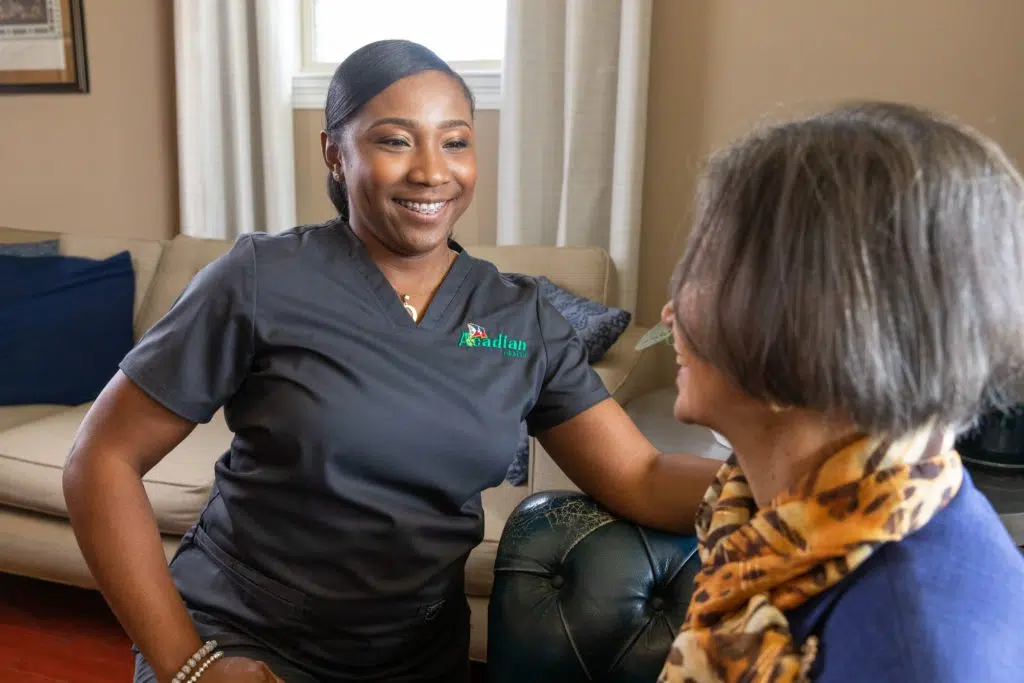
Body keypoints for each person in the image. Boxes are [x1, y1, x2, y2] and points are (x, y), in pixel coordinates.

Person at [61, 39, 721, 683]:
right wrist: (188, 662)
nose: (432, 171)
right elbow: (100, 460)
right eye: (395, 140)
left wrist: (802, 478)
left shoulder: (519, 317)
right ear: (334, 152)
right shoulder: (261, 277)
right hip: (242, 639)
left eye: (455, 141)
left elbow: (640, 473)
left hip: (417, 656)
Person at [656, 102, 1024, 683]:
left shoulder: (910, 653)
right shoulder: (789, 526)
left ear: (805, 324)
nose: (670, 310)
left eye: (707, 269)